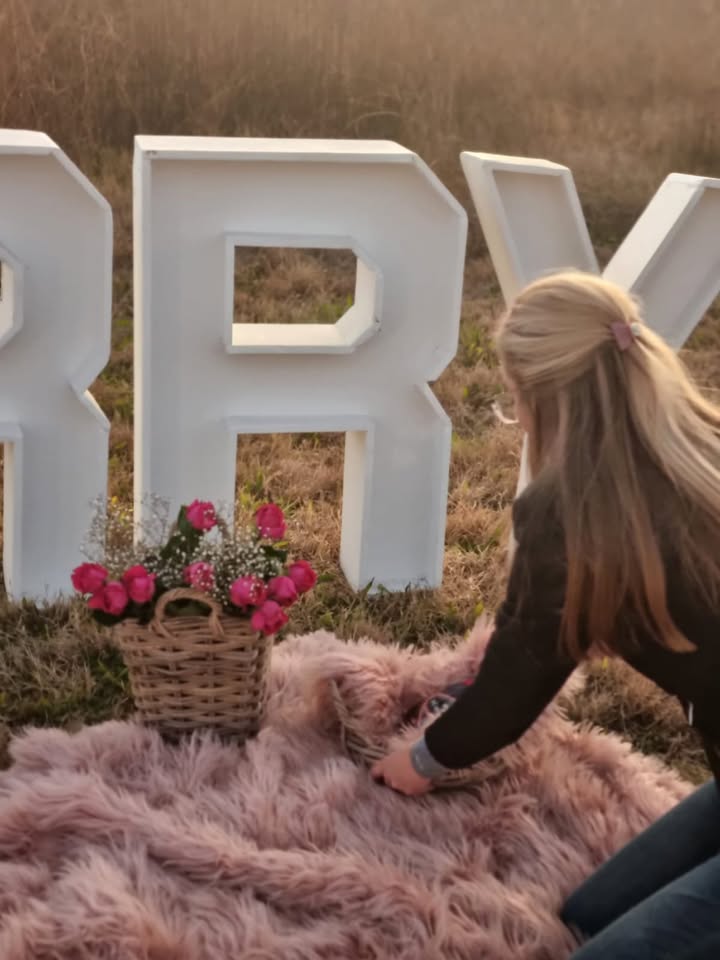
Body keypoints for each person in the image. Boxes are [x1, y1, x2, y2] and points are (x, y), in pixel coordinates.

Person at [371, 271, 720, 959]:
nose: (516, 414)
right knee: (588, 913)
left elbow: (517, 678)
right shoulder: (696, 451)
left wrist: (422, 758)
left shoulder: (568, 513)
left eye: (513, 397)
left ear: (540, 396)